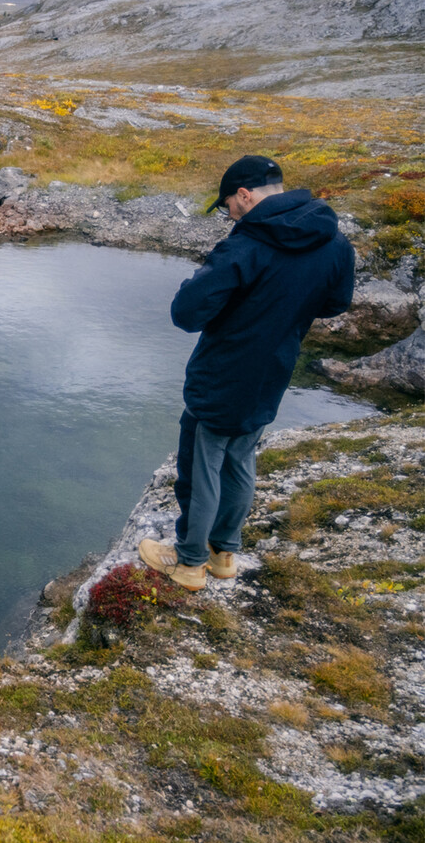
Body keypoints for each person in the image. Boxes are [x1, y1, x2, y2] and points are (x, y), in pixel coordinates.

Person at [139, 155, 354, 590]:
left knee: (200, 467)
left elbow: (187, 312)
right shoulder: (335, 243)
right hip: (272, 374)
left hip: (222, 375)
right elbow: (335, 303)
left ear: (245, 194)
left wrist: (197, 285)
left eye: (227, 206)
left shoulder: (246, 245)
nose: (228, 214)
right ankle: (223, 555)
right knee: (240, 461)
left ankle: (189, 561)